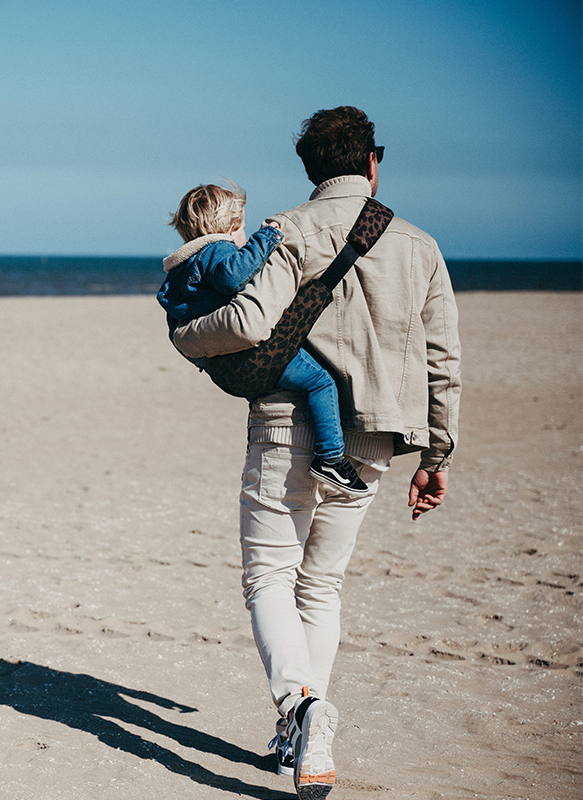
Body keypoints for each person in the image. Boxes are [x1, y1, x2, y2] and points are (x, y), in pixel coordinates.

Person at [171, 107, 461, 798]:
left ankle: (301, 711)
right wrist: (437, 456)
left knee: (269, 577)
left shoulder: (287, 229)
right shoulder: (419, 245)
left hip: (283, 422)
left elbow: (248, 323)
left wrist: (185, 338)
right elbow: (445, 358)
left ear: (310, 170)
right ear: (372, 162)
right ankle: (300, 737)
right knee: (321, 585)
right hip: (374, 439)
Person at [158, 181, 369, 496]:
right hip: (254, 354)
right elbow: (233, 275)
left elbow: (177, 322)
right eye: (242, 228)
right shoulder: (218, 249)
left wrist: (207, 359)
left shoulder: (178, 273)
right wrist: (268, 236)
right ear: (231, 227)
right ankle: (331, 457)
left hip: (223, 367)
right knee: (320, 382)